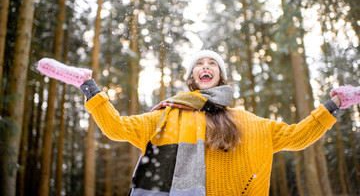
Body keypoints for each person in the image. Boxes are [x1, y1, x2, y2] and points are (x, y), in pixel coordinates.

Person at [79, 50, 350, 196]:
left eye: (212, 63)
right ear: (192, 77)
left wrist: (333, 106)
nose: (205, 66)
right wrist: (90, 88)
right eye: (199, 63)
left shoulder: (247, 122)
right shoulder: (166, 117)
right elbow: (116, 128)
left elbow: (296, 136)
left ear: (220, 76)